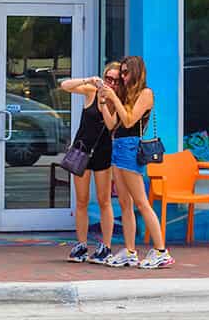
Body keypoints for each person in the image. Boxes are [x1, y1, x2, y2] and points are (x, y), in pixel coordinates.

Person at [98, 55, 174, 270]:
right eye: (120, 72)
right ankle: (130, 251)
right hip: (118, 145)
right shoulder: (126, 95)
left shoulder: (145, 93)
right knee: (124, 203)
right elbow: (113, 124)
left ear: (136, 72)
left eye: (125, 72)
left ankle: (161, 251)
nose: (122, 77)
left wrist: (114, 97)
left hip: (131, 147)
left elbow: (130, 120)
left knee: (141, 202)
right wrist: (105, 102)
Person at [59, 62, 120, 264]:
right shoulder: (92, 91)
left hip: (103, 152)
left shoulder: (118, 100)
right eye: (108, 78)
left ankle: (106, 246)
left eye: (115, 80)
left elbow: (112, 125)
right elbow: (65, 85)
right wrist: (89, 80)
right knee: (82, 200)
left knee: (104, 201)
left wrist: (106, 101)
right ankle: (81, 245)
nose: (111, 83)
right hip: (82, 149)